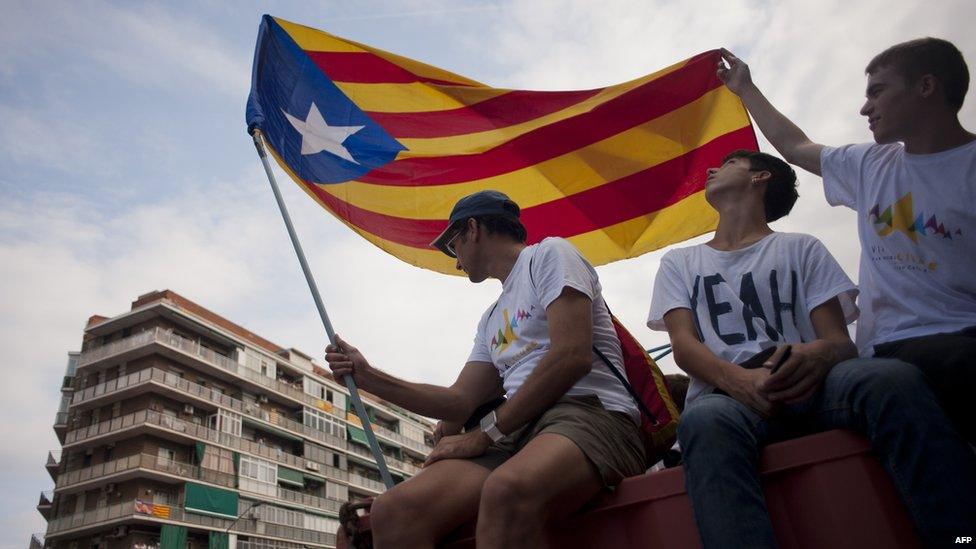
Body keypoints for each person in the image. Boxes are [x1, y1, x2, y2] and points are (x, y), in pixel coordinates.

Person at [648, 149, 976, 547]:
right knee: (702, 422)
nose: (714, 169)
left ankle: (962, 537)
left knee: (891, 378)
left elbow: (839, 342)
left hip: (814, 383)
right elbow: (683, 345)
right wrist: (740, 382)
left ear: (760, 178)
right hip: (729, 396)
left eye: (731, 163)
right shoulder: (680, 262)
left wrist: (818, 354)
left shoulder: (803, 248)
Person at [325, 190, 644, 549]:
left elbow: (571, 356)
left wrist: (483, 435)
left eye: (452, 247)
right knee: (394, 510)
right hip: (518, 433)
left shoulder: (549, 254)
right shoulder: (490, 319)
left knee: (506, 490)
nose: (456, 262)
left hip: (590, 413)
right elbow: (459, 400)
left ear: (472, 229)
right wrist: (367, 375)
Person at [717, 38, 976, 444]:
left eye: (878, 91)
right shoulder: (871, 164)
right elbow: (794, 147)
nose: (865, 107)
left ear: (926, 87)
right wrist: (746, 88)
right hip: (896, 348)